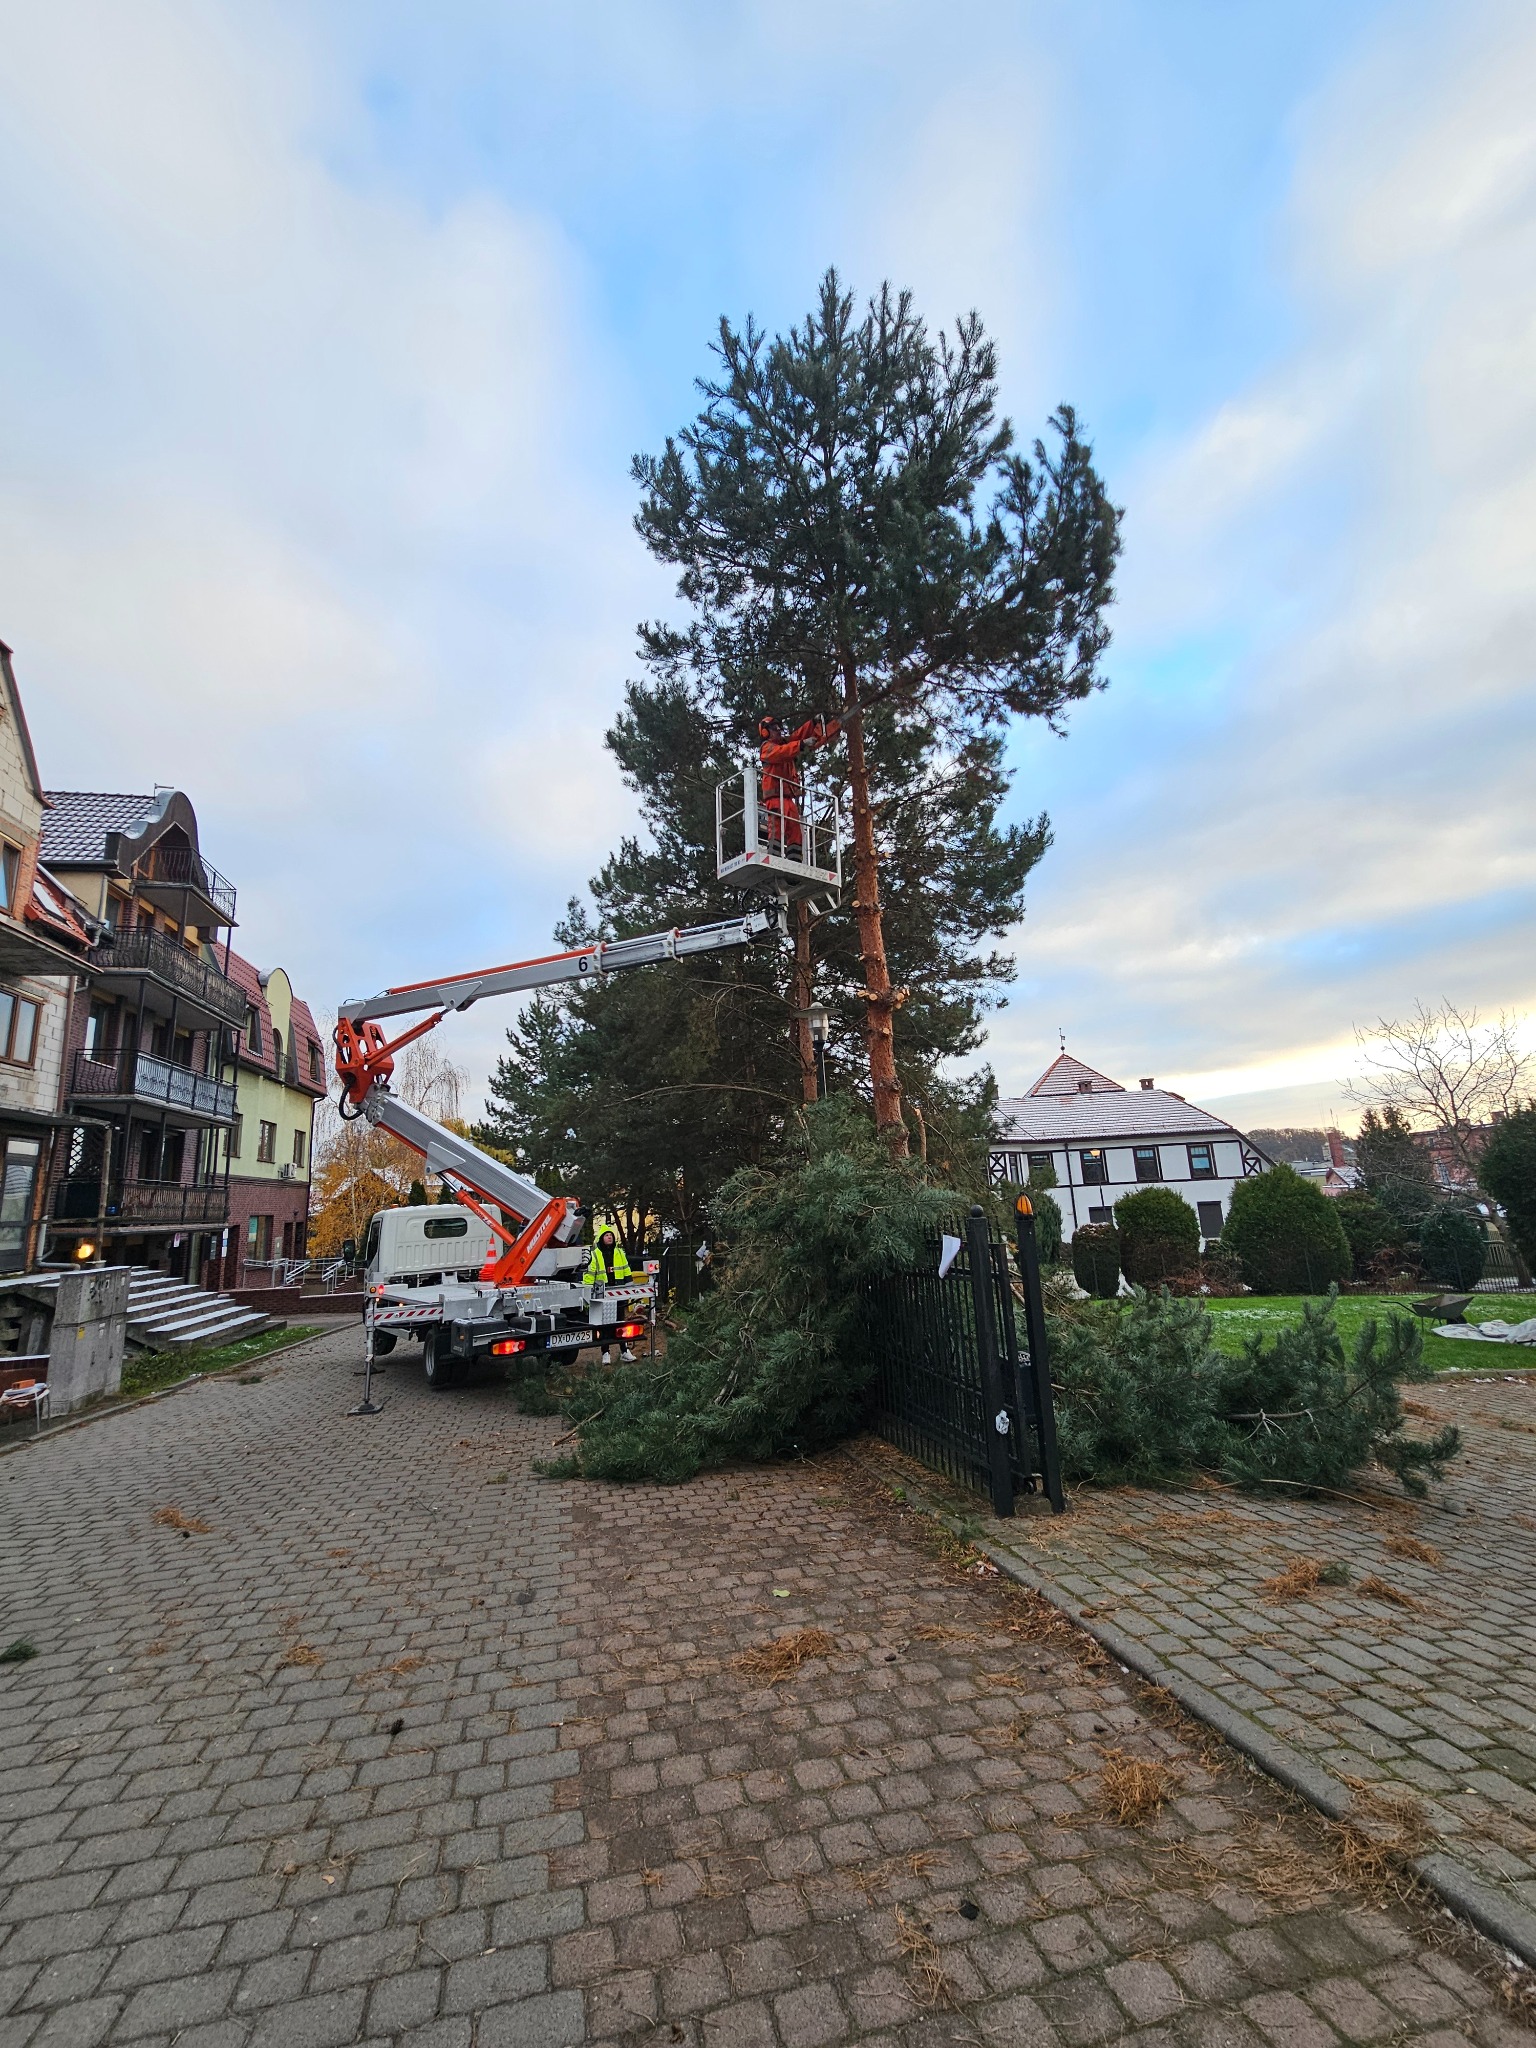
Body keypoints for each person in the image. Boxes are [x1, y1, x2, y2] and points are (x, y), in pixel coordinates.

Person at [757, 713, 840, 859]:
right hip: (775, 798)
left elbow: (797, 735)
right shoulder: (767, 748)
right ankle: (773, 857)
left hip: (788, 798)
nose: (778, 730)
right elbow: (782, 752)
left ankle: (794, 860)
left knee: (795, 830)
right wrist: (801, 744)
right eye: (775, 727)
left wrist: (813, 722)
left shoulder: (785, 743)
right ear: (765, 731)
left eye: (779, 727)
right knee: (776, 829)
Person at [585, 1227, 637, 1362]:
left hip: (619, 1292)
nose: (609, 1237)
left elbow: (626, 1270)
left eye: (611, 1235)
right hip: (603, 1294)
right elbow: (590, 1274)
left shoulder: (619, 1252)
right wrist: (587, 1291)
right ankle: (605, 1353)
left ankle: (624, 1351)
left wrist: (630, 1287)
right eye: (607, 1235)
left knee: (621, 1322)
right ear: (601, 1238)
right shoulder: (595, 1254)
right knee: (605, 1324)